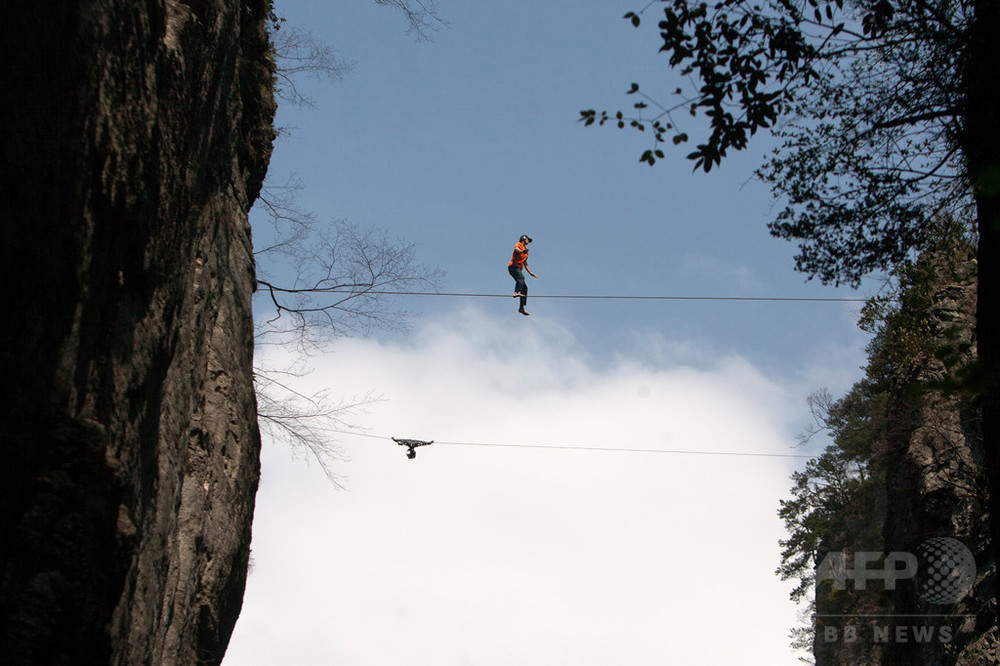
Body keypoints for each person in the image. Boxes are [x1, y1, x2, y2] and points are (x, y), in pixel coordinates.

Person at [507, 235, 537, 316]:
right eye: (527, 240)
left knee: (524, 288)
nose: (528, 241)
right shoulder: (519, 244)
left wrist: (530, 272)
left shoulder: (526, 251)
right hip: (513, 267)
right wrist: (522, 251)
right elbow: (516, 249)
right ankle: (516, 292)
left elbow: (525, 263)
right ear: (524, 239)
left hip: (518, 269)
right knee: (521, 278)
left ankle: (521, 308)